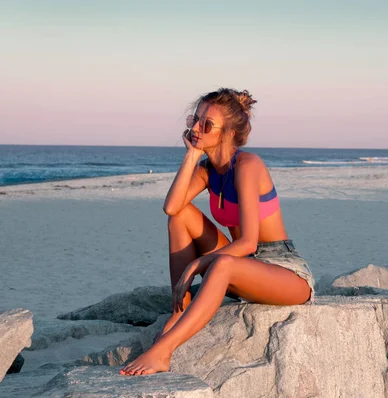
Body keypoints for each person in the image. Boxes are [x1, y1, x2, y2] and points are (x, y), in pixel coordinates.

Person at [120, 88, 315, 376]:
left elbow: (248, 241)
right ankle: (179, 311)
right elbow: (172, 208)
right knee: (182, 215)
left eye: (206, 124)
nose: (196, 128)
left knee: (222, 264)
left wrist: (199, 264)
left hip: (283, 271)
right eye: (194, 119)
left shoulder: (248, 165)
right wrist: (192, 156)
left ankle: (164, 351)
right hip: (242, 265)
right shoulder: (208, 169)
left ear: (226, 133)